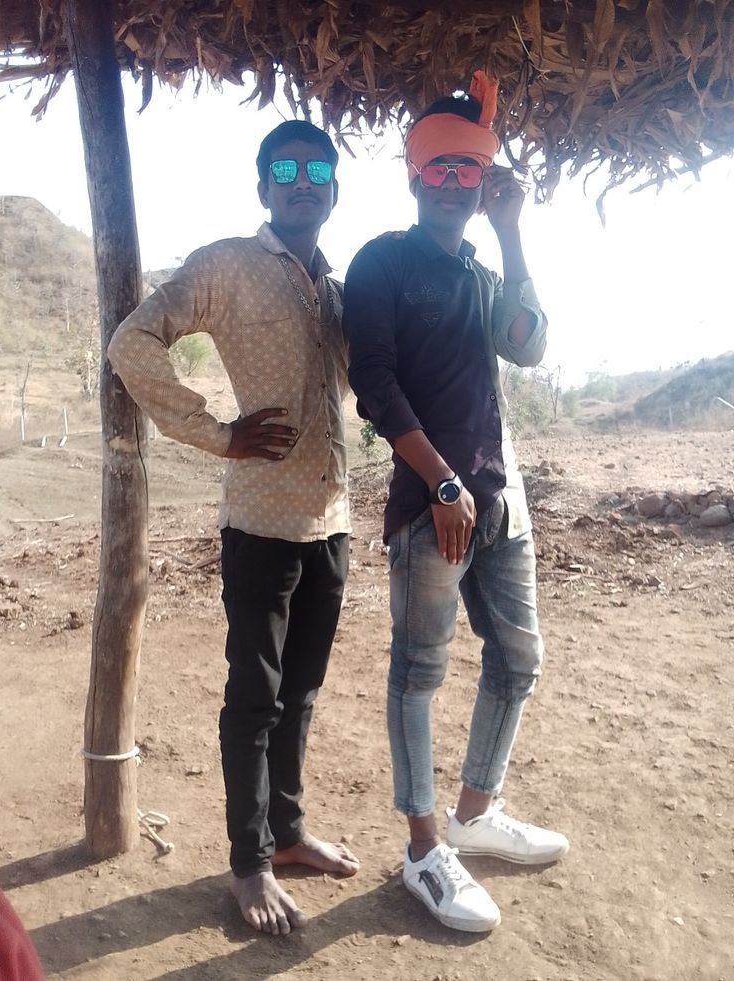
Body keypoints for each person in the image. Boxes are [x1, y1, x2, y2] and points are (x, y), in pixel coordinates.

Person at [109, 119, 358, 936]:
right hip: (259, 525)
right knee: (253, 699)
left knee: (303, 692)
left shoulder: (335, 286)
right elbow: (131, 341)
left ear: (332, 187)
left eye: (316, 167)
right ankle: (248, 863)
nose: (300, 179)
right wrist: (217, 430)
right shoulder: (226, 264)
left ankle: (286, 835)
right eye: (282, 167)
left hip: (331, 524)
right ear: (262, 187)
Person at [345, 72, 568, 933]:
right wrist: (440, 481)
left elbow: (530, 346)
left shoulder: (480, 267)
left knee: (518, 658)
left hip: (499, 501)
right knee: (420, 671)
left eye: (466, 171)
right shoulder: (382, 262)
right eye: (437, 168)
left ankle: (477, 812)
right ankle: (423, 849)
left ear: (483, 183)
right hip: (429, 504)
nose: (450, 183)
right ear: (413, 177)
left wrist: (513, 238)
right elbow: (374, 382)